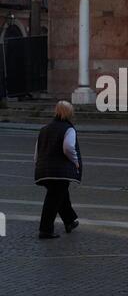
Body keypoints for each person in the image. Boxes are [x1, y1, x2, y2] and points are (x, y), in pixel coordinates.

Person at [34, 101, 82, 240]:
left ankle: (69, 221)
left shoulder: (44, 128)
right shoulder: (68, 129)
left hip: (44, 169)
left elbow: (37, 151)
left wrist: (37, 164)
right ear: (69, 113)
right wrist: (76, 161)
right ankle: (45, 230)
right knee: (53, 199)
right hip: (60, 171)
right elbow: (68, 148)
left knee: (61, 195)